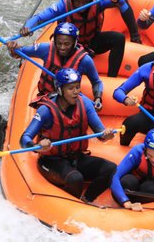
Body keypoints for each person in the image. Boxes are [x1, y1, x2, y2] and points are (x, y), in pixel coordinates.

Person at [20, 68, 117, 202]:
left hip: (76, 157)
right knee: (75, 179)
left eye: (77, 87)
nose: (76, 91)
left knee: (111, 168)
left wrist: (107, 135)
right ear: (60, 90)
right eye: (71, 88)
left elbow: (100, 133)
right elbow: (24, 139)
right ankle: (70, 202)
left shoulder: (86, 103)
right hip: (51, 161)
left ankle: (87, 199)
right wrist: (37, 146)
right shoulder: (46, 110)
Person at [20, 0, 125, 77]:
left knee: (119, 38)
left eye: (85, 2)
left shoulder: (98, 1)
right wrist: (27, 27)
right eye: (77, 1)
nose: (81, 5)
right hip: (69, 47)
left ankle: (112, 76)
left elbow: (120, 2)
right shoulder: (63, 5)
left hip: (91, 42)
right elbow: (39, 18)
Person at [7, 22, 104, 110]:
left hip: (70, 100)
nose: (62, 47)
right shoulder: (46, 49)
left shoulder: (85, 60)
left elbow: (96, 82)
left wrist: (98, 98)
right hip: (48, 97)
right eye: (59, 43)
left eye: (67, 44)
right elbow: (20, 52)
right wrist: (13, 47)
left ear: (74, 43)